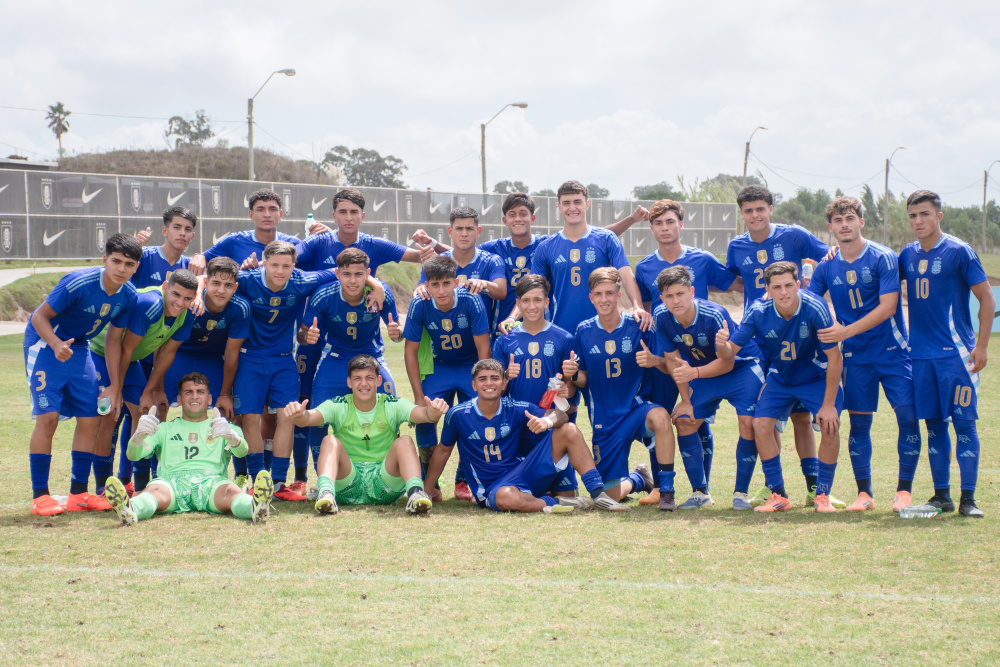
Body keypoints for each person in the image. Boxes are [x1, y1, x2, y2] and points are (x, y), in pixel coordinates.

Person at [725, 185, 839, 508]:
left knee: (802, 418)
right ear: (742, 214)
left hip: (797, 331)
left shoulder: (794, 236)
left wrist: (810, 292)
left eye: (760, 208)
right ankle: (772, 487)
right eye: (748, 211)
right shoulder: (736, 246)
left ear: (771, 209)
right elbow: (734, 279)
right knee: (764, 416)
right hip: (759, 338)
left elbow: (828, 258)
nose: (755, 215)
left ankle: (814, 487)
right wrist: (758, 301)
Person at [807, 196, 920, 511]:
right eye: (838, 221)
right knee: (859, 425)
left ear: (861, 222)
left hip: (894, 353)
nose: (845, 225)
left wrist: (844, 332)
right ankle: (864, 495)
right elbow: (810, 304)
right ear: (830, 228)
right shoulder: (827, 265)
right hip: (856, 358)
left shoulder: (883, 257)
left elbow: (888, 307)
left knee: (908, 418)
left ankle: (904, 492)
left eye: (850, 219)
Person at [24, 233, 141, 515]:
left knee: (91, 420)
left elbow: (113, 341)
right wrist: (54, 344)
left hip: (80, 349)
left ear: (136, 267)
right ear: (105, 260)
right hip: (45, 344)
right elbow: (38, 317)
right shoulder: (79, 282)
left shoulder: (128, 295)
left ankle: (78, 494)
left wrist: (114, 386)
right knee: (48, 417)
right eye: (116, 261)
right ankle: (40, 496)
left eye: (129, 264)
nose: (121, 269)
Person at [633, 199, 739, 505]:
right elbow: (647, 311)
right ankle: (659, 485)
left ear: (681, 223)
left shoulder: (702, 259)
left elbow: (735, 284)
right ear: (651, 228)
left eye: (670, 222)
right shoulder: (644, 267)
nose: (665, 228)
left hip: (701, 356)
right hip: (665, 354)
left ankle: (700, 489)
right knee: (660, 416)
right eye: (658, 223)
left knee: (695, 417)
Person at [717, 262, 844, 513]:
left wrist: (828, 405)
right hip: (782, 377)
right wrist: (722, 344)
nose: (784, 292)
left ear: (798, 285)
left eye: (788, 285)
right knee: (760, 424)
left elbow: (835, 357)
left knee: (829, 424)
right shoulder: (758, 311)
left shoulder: (815, 307)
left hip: (815, 376)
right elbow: (730, 351)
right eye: (777, 287)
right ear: (767, 289)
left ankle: (822, 495)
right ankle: (778, 493)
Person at [423, 359, 628, 512]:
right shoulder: (458, 415)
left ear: (504, 384)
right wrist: (426, 491)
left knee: (569, 430)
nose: (489, 383)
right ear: (474, 385)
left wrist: (546, 421)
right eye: (482, 379)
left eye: (495, 378)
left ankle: (598, 494)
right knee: (506, 497)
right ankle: (556, 503)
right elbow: (442, 451)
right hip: (493, 489)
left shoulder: (516, 408)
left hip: (523, 473)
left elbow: (563, 416)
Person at [898, 189, 993, 517]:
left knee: (964, 424)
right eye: (912, 215)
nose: (918, 221)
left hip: (956, 357)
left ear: (939, 216)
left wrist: (981, 346)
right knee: (934, 426)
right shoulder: (906, 255)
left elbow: (987, 299)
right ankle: (942, 496)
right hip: (920, 358)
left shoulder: (959, 251)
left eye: (924, 214)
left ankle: (969, 499)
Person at [231, 240, 345, 501]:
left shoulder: (301, 281)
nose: (280, 271)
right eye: (274, 265)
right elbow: (212, 276)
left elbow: (343, 269)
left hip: (283, 360)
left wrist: (375, 286)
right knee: (249, 419)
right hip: (249, 358)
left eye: (286, 265)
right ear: (264, 262)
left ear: (295, 265)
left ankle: (280, 482)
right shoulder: (247, 279)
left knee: (288, 416)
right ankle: (258, 480)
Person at [643, 266, 764, 510]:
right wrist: (685, 400)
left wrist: (694, 373)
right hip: (705, 372)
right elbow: (674, 361)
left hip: (742, 368)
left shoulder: (714, 314)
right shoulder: (662, 317)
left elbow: (727, 361)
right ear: (662, 297)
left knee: (748, 423)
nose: (675, 300)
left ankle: (740, 493)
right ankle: (701, 493)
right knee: (685, 419)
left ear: (692, 292)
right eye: (669, 296)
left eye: (680, 293)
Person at [561, 268, 674, 507]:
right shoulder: (583, 331)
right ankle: (639, 479)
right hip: (605, 420)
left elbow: (668, 366)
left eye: (610, 293)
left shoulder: (639, 325)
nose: (605, 299)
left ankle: (667, 491)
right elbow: (584, 379)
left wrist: (654, 361)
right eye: (599, 294)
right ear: (591, 297)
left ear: (618, 294)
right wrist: (572, 375)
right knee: (607, 498)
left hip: (636, 409)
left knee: (662, 417)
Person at [103, 373, 273, 524]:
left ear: (209, 399)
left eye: (200, 392)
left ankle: (254, 507)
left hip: (211, 482)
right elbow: (133, 455)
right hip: (171, 483)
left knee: (230, 491)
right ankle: (130, 509)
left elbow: (242, 451)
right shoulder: (163, 428)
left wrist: (232, 437)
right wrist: (138, 436)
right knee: (153, 490)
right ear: (179, 399)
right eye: (188, 392)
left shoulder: (222, 426)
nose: (195, 396)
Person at [283, 355, 443, 514]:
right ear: (349, 382)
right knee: (329, 440)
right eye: (357, 378)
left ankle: (415, 494)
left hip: (385, 483)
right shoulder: (340, 404)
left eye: (369, 378)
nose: (364, 383)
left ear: (378, 381)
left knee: (405, 440)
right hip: (347, 483)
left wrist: (433, 412)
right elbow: (309, 418)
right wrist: (299, 415)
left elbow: (422, 414)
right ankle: (326, 495)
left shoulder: (390, 404)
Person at [89, 270, 199, 493]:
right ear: (166, 286)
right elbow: (125, 347)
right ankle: (102, 488)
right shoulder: (150, 303)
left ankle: (141, 485)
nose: (181, 303)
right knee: (110, 414)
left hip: (129, 360)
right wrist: (116, 388)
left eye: (188, 298)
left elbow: (167, 351)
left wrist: (153, 389)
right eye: (176, 295)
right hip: (102, 352)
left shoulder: (187, 314)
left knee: (145, 413)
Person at [300, 248, 400, 465]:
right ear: (337, 274)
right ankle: (324, 480)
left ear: (368, 274)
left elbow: (398, 332)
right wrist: (307, 336)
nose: (353, 281)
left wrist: (397, 333)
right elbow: (301, 333)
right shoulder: (324, 295)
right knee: (317, 419)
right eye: (347, 274)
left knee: (391, 410)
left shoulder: (380, 293)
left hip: (371, 357)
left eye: (358, 274)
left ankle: (392, 473)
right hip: (335, 358)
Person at [403, 255, 491, 498]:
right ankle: (431, 482)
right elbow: (410, 351)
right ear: (426, 285)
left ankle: (464, 481)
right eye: (434, 284)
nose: (441, 290)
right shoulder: (420, 303)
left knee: (476, 418)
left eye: (446, 283)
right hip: (440, 366)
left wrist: (482, 385)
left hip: (470, 367)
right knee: (423, 417)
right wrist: (418, 396)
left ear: (456, 282)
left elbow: (484, 349)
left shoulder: (471, 300)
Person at [491, 274, 578, 496]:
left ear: (547, 302)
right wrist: (507, 378)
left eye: (538, 300)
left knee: (567, 496)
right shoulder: (505, 340)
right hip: (516, 428)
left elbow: (571, 389)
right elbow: (492, 391)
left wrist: (569, 386)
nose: (532, 306)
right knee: (522, 490)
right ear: (517, 303)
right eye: (526, 300)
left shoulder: (563, 338)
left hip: (551, 423)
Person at [162, 257, 251, 419]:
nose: (221, 290)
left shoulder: (240, 308)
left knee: (224, 412)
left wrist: (225, 394)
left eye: (228, 285)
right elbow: (167, 347)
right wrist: (156, 387)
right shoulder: (191, 301)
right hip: (180, 354)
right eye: (216, 283)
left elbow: (232, 354)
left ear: (235, 287)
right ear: (206, 281)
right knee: (160, 406)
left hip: (212, 359)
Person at [415, 206, 506, 330]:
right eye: (459, 228)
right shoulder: (436, 262)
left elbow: (501, 291)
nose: (464, 234)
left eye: (469, 228)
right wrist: (419, 290)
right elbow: (421, 289)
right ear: (450, 232)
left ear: (478, 231)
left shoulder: (492, 261)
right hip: (443, 337)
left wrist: (483, 283)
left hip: (480, 339)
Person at [188, 188, 302, 275]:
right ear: (251, 215)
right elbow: (205, 258)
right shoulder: (235, 241)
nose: (267, 214)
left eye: (272, 209)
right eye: (260, 209)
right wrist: (199, 257)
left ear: (280, 214)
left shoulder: (293, 244)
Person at [131, 206, 196, 288]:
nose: (182, 233)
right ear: (165, 231)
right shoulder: (143, 255)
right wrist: (134, 248)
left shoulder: (192, 266)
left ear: (192, 237)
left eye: (188, 229)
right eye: (177, 227)